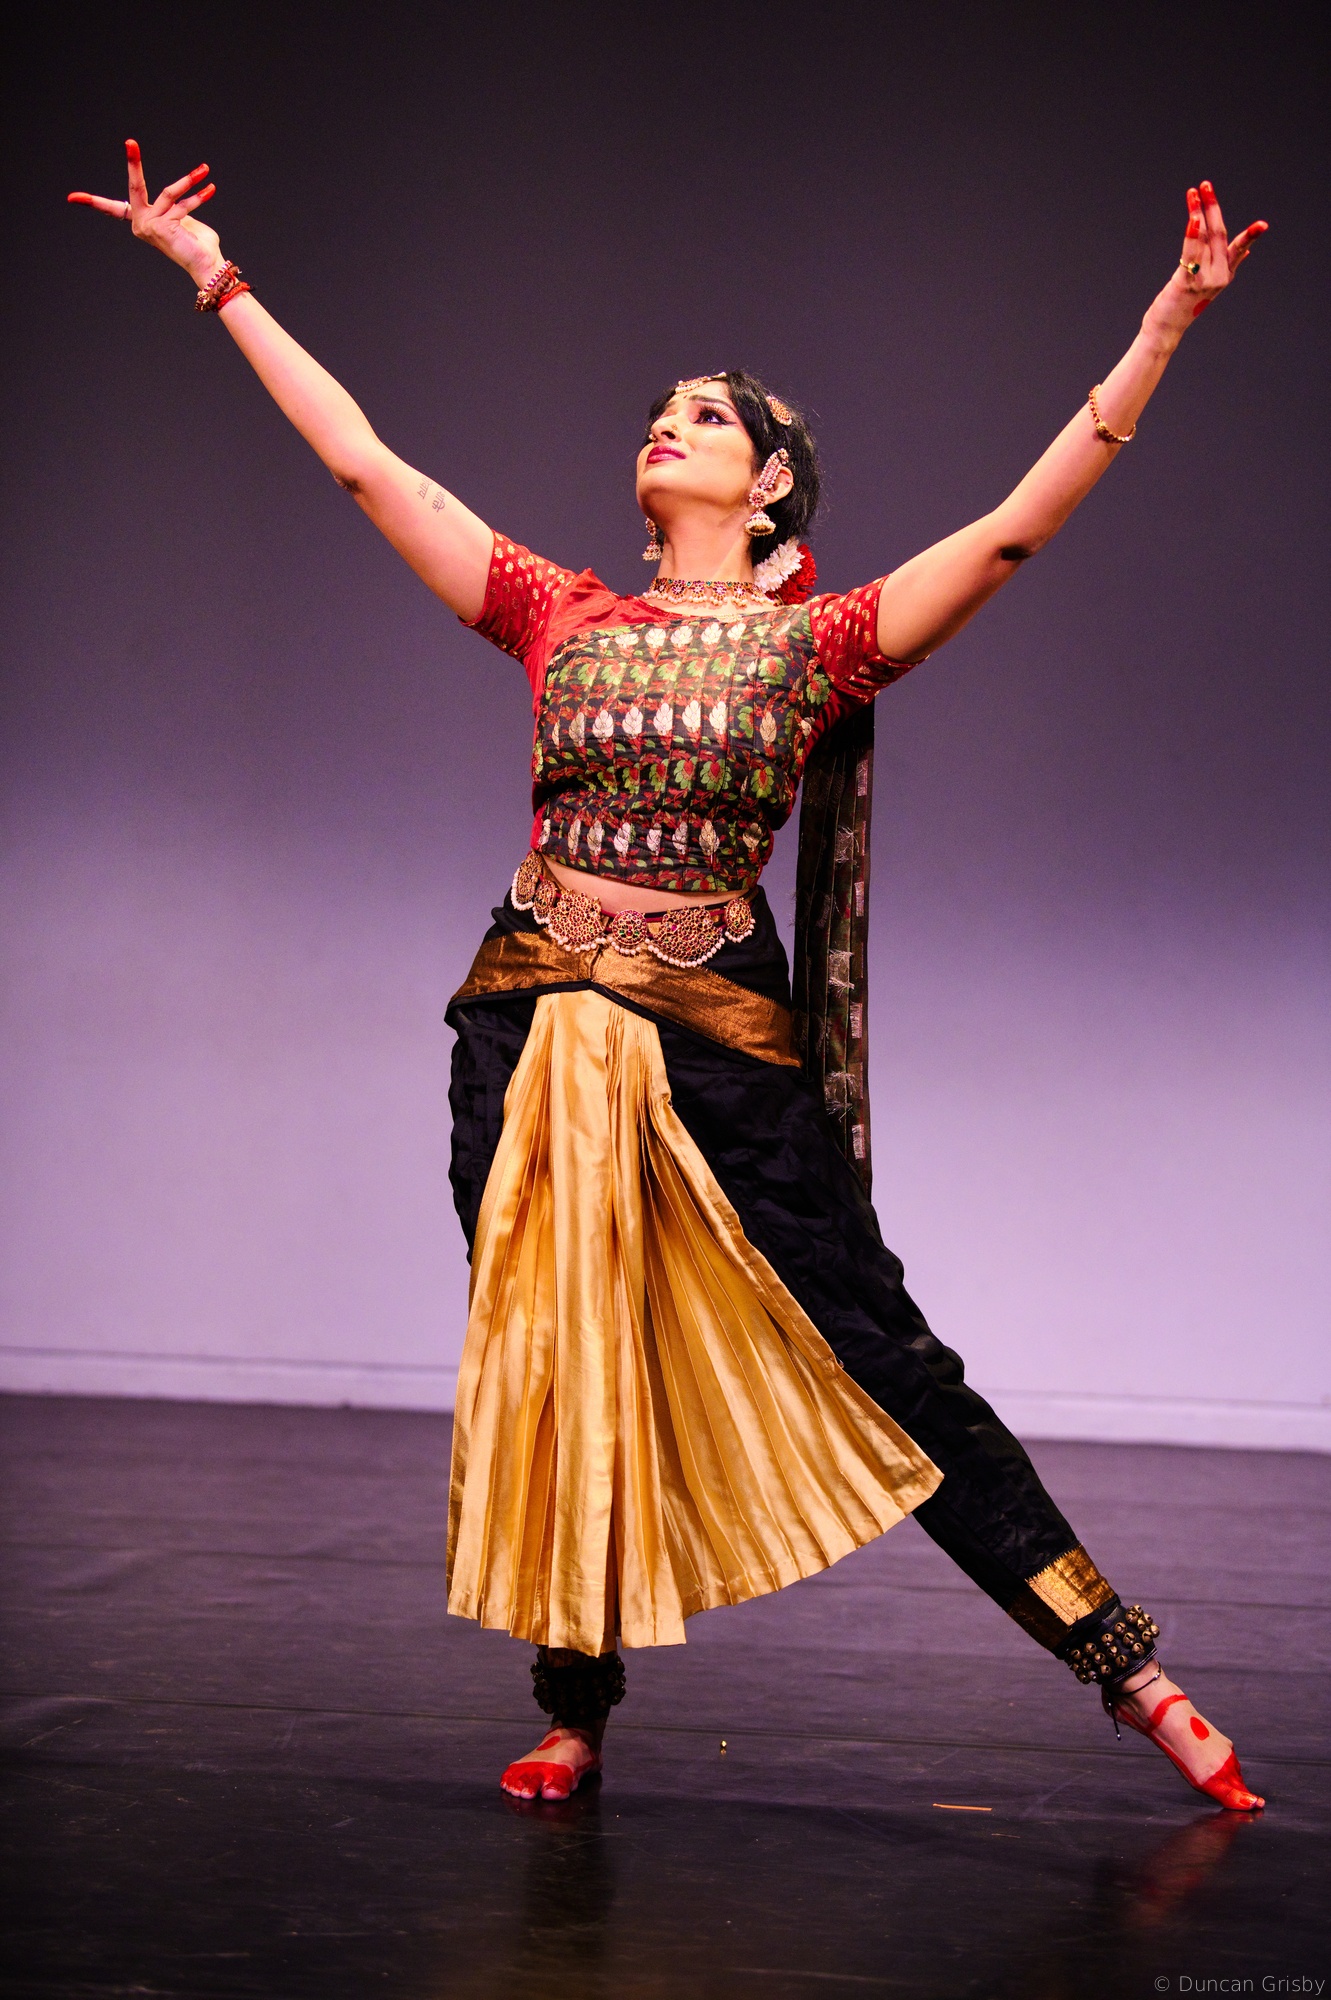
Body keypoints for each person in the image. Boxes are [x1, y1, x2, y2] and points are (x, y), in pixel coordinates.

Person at [71, 141, 1269, 1812]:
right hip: (523, 1024)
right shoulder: (558, 615)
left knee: (878, 1350)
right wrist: (216, 278)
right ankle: (574, 1710)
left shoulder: (815, 645)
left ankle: (1127, 1669)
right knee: (555, 1353)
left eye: (707, 416)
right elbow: (361, 464)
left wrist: (1166, 326)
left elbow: (1009, 537)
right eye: (661, 410)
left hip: (712, 1038)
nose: (669, 424)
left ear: (768, 486)